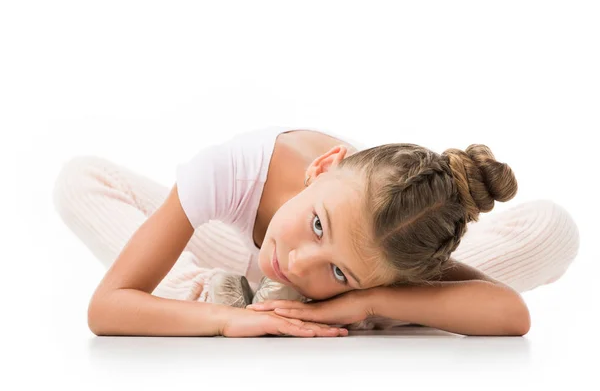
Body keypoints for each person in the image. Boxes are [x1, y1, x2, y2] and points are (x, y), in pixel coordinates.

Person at [52, 125, 580, 337]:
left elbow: (510, 313)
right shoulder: (234, 171)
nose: (298, 262)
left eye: (338, 270)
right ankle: (220, 295)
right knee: (82, 179)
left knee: (553, 228)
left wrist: (371, 302)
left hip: (366, 277)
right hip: (226, 248)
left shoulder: (382, 250)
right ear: (325, 166)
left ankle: (277, 300)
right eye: (317, 224)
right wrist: (222, 322)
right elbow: (108, 308)